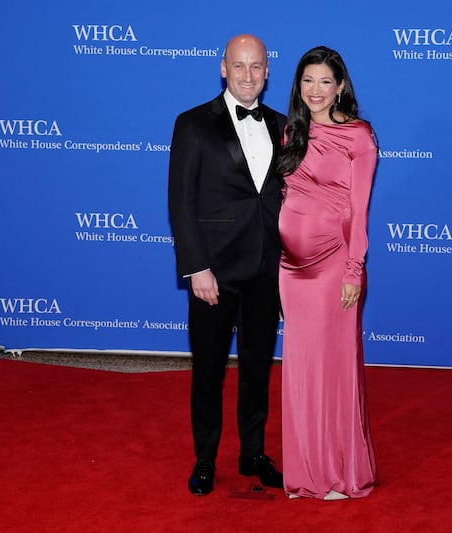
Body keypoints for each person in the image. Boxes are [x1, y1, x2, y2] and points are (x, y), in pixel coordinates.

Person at [168, 34, 286, 496]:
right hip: (213, 275)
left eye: (256, 66)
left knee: (258, 369)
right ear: (223, 68)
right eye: (239, 66)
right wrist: (196, 267)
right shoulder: (193, 124)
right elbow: (181, 202)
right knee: (210, 371)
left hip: (265, 269)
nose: (248, 75)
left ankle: (252, 454)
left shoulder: (283, 125)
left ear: (268, 71)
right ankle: (204, 459)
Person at [277, 46, 378, 500]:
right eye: (307, 81)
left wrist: (354, 270)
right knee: (300, 369)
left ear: (340, 87)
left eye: (324, 81)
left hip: (335, 264)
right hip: (290, 269)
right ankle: (304, 473)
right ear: (298, 86)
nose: (315, 90)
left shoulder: (359, 137)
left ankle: (338, 472)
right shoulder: (290, 132)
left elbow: (360, 211)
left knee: (332, 370)